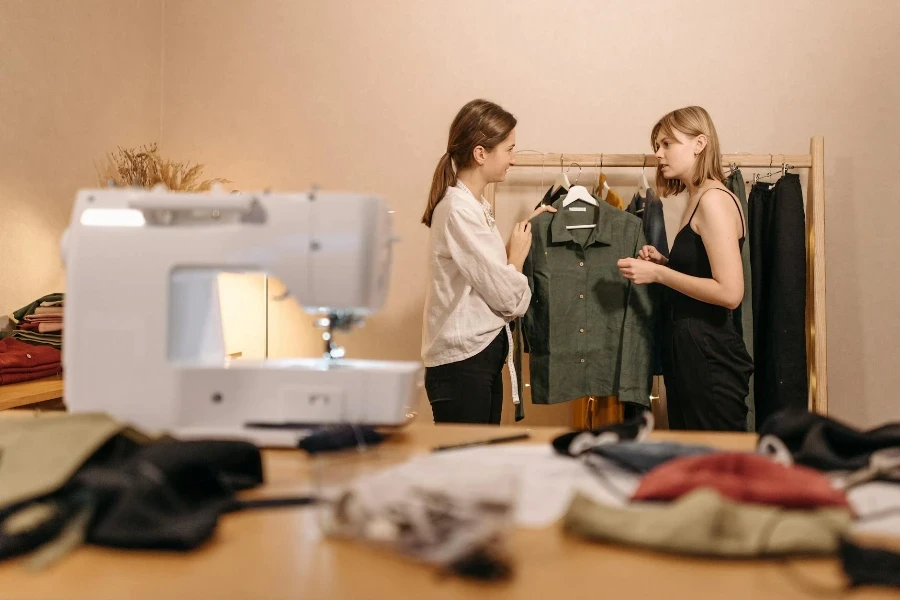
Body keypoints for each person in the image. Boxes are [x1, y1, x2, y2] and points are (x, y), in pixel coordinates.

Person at [617, 106, 753, 431]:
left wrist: (659, 275)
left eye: (667, 144)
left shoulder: (713, 201)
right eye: (657, 145)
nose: (658, 153)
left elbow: (731, 293)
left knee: (711, 459)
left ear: (699, 143)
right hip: (693, 347)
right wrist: (666, 263)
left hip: (709, 350)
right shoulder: (698, 197)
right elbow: (705, 273)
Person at [420, 99, 555, 424]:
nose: (513, 159)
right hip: (463, 365)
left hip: (474, 359)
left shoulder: (473, 208)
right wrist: (517, 258)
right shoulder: (460, 211)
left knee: (479, 462)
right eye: (509, 149)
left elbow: (485, 276)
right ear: (481, 153)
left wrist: (517, 242)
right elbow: (510, 299)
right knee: (469, 467)